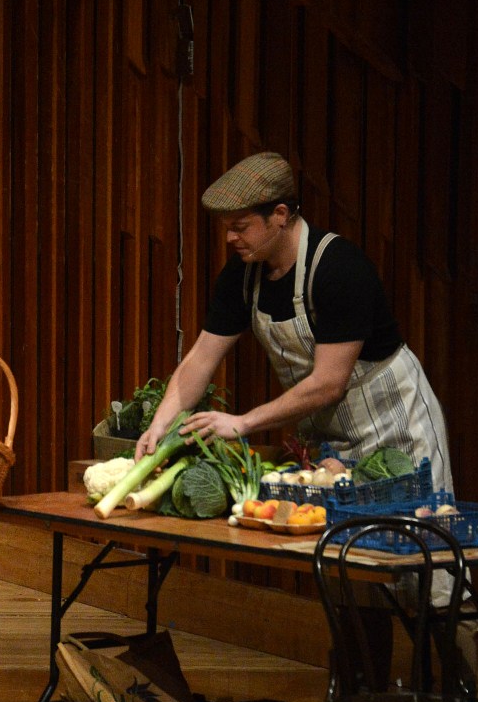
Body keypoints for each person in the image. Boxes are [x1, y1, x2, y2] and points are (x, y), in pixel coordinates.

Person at [136, 151, 453, 492]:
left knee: (410, 531)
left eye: (240, 228)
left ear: (280, 215)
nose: (230, 239)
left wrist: (243, 422)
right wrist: (160, 425)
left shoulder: (339, 267)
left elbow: (329, 383)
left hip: (393, 425)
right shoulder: (242, 276)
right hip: (328, 438)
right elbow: (200, 359)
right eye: (227, 229)